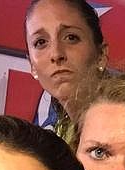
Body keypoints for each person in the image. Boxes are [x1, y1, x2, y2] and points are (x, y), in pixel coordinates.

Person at [25, 0, 108, 143]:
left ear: (101, 55)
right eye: (41, 42)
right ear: (32, 65)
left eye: (71, 37)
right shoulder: (58, 133)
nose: (56, 54)